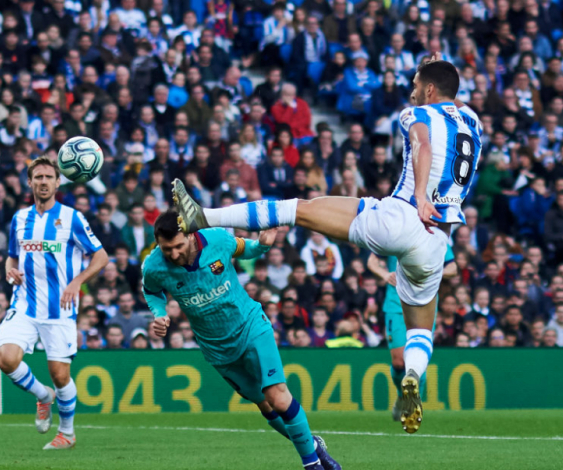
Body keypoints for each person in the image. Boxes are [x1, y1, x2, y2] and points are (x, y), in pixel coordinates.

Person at [172, 57, 481, 434]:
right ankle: (412, 376)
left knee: (298, 210)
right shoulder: (473, 122)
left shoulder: (414, 114)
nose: (412, 90)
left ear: (429, 91)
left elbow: (422, 144)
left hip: (404, 216)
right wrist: (436, 69)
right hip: (437, 240)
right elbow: (450, 102)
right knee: (420, 329)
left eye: (417, 84)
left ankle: (204, 217)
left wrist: (418, 195)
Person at [142, 211, 341, 470]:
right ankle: (312, 446)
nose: (174, 254)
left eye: (178, 246)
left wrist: (262, 245)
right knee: (266, 406)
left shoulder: (217, 239)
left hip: (250, 326)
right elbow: (151, 290)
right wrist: (159, 314)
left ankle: (312, 464)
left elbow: (245, 248)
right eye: (167, 249)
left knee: (278, 398)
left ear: (191, 235)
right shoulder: (154, 265)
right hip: (217, 349)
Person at [0, 157, 108, 450]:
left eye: (48, 177)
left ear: (58, 182)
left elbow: (101, 256)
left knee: (61, 375)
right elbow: (12, 255)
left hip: (60, 307)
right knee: (6, 358)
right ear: (30, 182)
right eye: (38, 177)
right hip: (24, 305)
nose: (43, 181)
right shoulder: (19, 219)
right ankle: (43, 396)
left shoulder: (72, 218)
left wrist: (77, 282)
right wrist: (10, 269)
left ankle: (67, 434)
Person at [367, 244, 456, 422]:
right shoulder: (394, 232)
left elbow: (453, 267)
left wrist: (436, 273)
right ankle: (402, 396)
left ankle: (413, 403)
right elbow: (371, 261)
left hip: (424, 302)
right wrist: (385, 275)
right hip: (396, 302)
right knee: (399, 362)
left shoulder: (433, 234)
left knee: (416, 354)